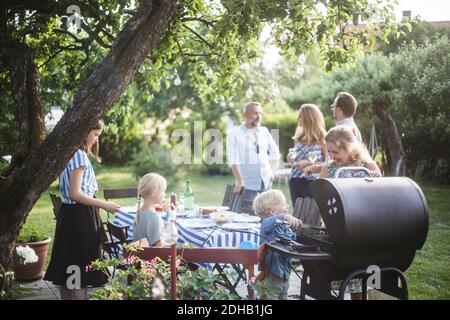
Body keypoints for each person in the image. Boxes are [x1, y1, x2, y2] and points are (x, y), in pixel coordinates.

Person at [44, 120, 121, 300]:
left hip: (69, 215)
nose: (95, 140)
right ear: (84, 132)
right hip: (80, 216)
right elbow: (75, 193)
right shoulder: (79, 156)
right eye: (95, 135)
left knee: (68, 269)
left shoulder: (67, 154)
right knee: (79, 272)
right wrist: (105, 204)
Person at [253, 190, 302, 300]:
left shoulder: (283, 226)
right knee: (270, 297)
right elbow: (269, 223)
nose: (287, 206)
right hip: (272, 272)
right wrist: (284, 216)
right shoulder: (266, 225)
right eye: (283, 204)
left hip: (285, 271)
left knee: (283, 295)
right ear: (272, 212)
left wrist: (295, 229)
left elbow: (292, 240)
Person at [226, 102, 280, 201]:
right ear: (245, 114)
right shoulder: (235, 133)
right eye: (255, 113)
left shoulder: (264, 131)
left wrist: (272, 172)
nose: (258, 116)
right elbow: (233, 159)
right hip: (247, 185)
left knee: (267, 214)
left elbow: (275, 154)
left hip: (266, 183)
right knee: (247, 215)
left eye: (260, 113)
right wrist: (239, 180)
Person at [288, 104, 326, 206]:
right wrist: (290, 159)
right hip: (295, 179)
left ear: (309, 118)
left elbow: (328, 163)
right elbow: (293, 158)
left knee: (310, 215)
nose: (298, 119)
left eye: (300, 116)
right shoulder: (298, 137)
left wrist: (307, 163)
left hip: (311, 182)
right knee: (297, 214)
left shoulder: (323, 138)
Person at [133, 173, 167, 246]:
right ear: (153, 192)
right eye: (163, 191)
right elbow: (159, 247)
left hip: (139, 255)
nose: (164, 194)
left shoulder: (140, 210)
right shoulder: (153, 217)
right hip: (150, 256)